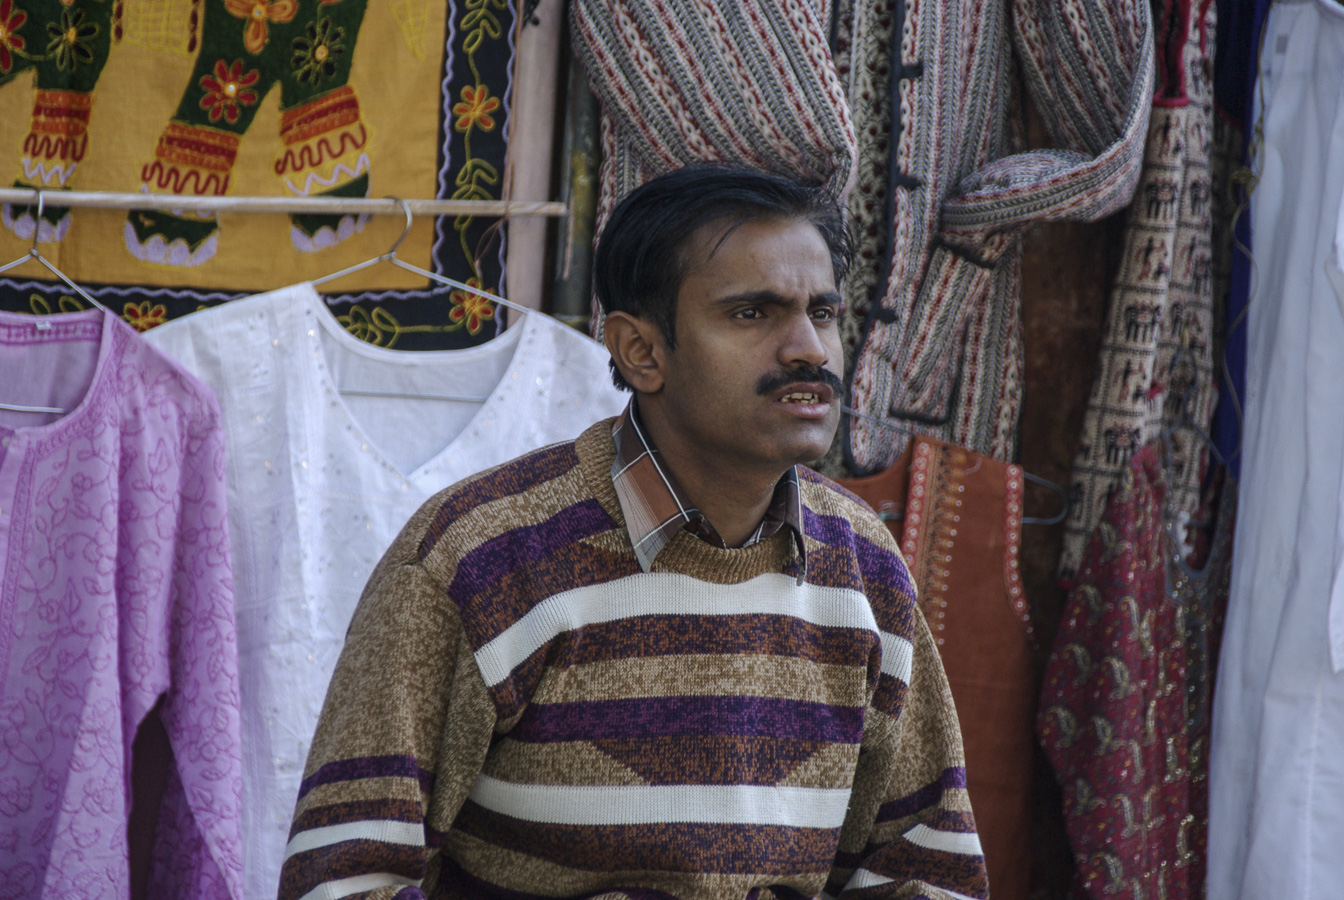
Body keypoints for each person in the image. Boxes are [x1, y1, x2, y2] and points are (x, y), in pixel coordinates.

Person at [277, 165, 989, 900]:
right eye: (753, 313)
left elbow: (927, 870)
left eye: (825, 313)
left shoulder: (864, 568)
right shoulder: (481, 558)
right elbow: (341, 879)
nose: (809, 349)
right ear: (640, 351)